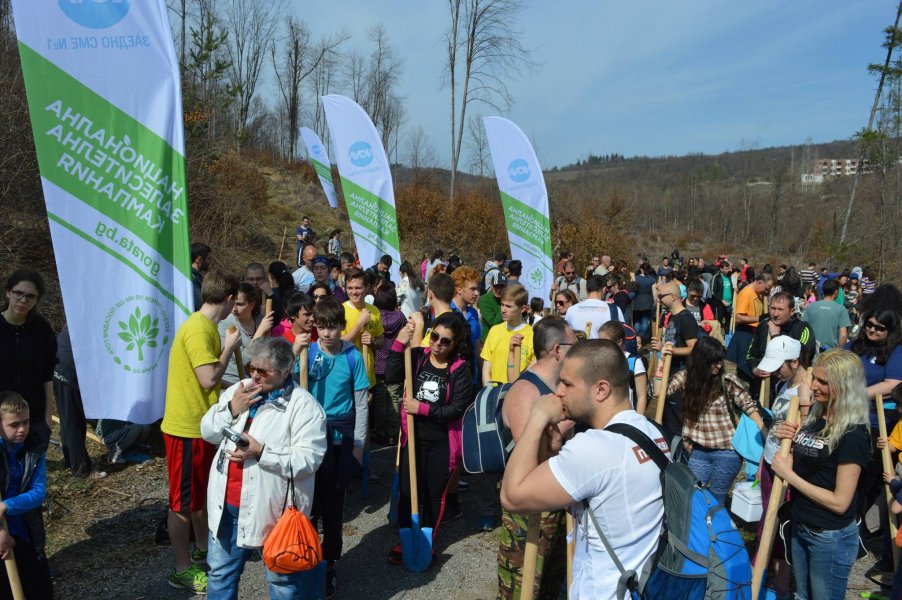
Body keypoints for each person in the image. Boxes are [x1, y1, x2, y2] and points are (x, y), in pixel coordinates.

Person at [500, 339, 668, 600]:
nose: (558, 392)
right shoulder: (653, 432)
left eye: (567, 383)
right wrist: (555, 449)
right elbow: (597, 499)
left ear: (601, 389)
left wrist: (537, 417)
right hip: (641, 587)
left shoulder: (595, 448)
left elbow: (512, 497)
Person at [201, 337, 328, 599]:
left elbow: (310, 459)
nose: (255, 377)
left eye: (263, 371)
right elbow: (207, 432)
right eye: (252, 368)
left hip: (273, 512)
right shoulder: (241, 390)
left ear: (285, 371)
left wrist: (262, 453)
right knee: (220, 574)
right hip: (226, 506)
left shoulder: (304, 407)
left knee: (282, 582)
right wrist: (231, 409)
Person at [161, 269, 242, 593]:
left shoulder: (204, 326)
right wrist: (229, 346)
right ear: (228, 298)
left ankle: (203, 547)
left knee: (199, 496)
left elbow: (208, 378)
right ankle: (181, 568)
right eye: (234, 301)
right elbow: (208, 378)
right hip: (185, 428)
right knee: (182, 504)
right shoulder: (198, 330)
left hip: (200, 426)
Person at [771, 349, 870, 600]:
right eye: (814, 377)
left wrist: (789, 475)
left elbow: (840, 502)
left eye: (822, 382)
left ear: (843, 387)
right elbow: (811, 464)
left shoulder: (854, 435)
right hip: (801, 525)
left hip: (829, 536)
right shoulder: (818, 417)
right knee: (803, 597)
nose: (813, 385)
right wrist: (791, 440)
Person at [385, 312, 474, 566]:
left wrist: (420, 408)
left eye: (445, 341)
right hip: (412, 438)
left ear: (454, 344)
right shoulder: (416, 358)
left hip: (441, 442)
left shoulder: (459, 370)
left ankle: (427, 539)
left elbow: (456, 408)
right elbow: (391, 376)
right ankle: (405, 539)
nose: (437, 343)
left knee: (433, 494)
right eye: (435, 336)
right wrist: (399, 343)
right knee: (407, 491)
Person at [496, 318, 576, 599]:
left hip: (557, 498)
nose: (577, 350)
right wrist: (564, 424)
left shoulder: (562, 387)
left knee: (551, 585)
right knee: (521, 587)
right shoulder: (525, 391)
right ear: (557, 350)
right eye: (573, 345)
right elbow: (529, 455)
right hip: (529, 509)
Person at [305, 297, 370, 598]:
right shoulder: (306, 353)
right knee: (307, 505)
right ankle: (305, 558)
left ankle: (329, 562)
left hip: (340, 437)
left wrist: (358, 445)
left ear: (343, 327)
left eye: (332, 328)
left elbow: (361, 404)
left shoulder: (352, 357)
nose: (326, 334)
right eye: (321, 327)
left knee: (333, 506)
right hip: (309, 437)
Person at [664, 337, 764, 503]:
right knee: (694, 497)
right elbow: (661, 394)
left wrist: (764, 436)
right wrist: (662, 364)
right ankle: (700, 528)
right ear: (701, 360)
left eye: (720, 360)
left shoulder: (727, 381)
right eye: (713, 361)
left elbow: (750, 408)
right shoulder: (685, 378)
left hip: (727, 451)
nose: (719, 365)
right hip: (698, 450)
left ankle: (716, 527)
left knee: (717, 498)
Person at [755, 336, 810, 600]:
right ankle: (766, 575)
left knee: (782, 529)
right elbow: (775, 426)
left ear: (796, 361)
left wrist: (801, 427)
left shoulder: (808, 391)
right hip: (770, 461)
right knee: (768, 520)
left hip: (788, 468)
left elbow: (813, 435)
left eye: (780, 365)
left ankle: (782, 585)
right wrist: (761, 463)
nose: (776, 370)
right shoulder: (783, 383)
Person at [0, 392, 53, 599]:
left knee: (39, 589)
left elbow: (38, 493)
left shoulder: (34, 448)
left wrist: (6, 506)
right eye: (14, 425)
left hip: (26, 532)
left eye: (26, 422)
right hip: (3, 535)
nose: (22, 429)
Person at [0, 269, 56, 451]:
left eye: (30, 296)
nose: (23, 300)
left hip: (34, 417)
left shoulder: (43, 330)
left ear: (37, 300)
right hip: (2, 417)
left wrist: (48, 417)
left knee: (32, 473)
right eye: (18, 293)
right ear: (8, 292)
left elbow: (48, 376)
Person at [53, 324, 105, 478]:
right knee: (74, 422)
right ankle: (82, 469)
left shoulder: (83, 310)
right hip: (68, 371)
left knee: (68, 420)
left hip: (61, 367)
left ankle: (71, 461)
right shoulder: (91, 315)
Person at [746, 291, 816, 395]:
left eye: (780, 309)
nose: (775, 314)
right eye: (773, 308)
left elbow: (802, 359)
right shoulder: (764, 325)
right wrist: (755, 369)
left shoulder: (803, 329)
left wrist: (775, 336)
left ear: (792, 311)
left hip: (792, 390)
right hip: (763, 388)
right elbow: (750, 355)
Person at [372, 284, 407, 445]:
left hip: (377, 364)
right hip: (395, 363)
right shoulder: (400, 317)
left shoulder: (374, 317)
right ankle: (393, 433)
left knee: (379, 401)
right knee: (394, 399)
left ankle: (379, 432)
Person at [481, 284, 535, 385]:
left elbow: (532, 372)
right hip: (494, 393)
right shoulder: (494, 330)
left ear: (523, 309)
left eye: (508, 306)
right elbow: (486, 369)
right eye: (502, 305)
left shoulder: (532, 335)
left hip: (517, 395)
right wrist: (488, 392)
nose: (503, 310)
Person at [341, 269, 385, 389]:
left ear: (367, 287)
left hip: (367, 374)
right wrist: (360, 323)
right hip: (346, 376)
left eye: (358, 288)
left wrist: (373, 341)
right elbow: (338, 345)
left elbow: (381, 340)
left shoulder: (374, 311)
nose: (354, 292)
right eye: (350, 288)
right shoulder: (340, 310)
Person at [218, 282, 266, 389]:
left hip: (256, 381)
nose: (234, 308)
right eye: (233, 303)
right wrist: (259, 333)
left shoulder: (260, 319)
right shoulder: (225, 324)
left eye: (240, 304)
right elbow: (243, 361)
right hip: (232, 385)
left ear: (252, 304)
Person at [726, 272, 774, 376]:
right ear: (760, 282)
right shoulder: (746, 293)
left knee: (749, 364)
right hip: (745, 332)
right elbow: (738, 318)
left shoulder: (759, 293)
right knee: (744, 367)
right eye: (766, 289)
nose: (767, 292)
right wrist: (759, 318)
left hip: (754, 333)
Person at [599, 320, 647, 414]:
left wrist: (638, 422)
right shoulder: (598, 360)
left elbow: (642, 397)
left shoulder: (633, 362)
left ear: (620, 342)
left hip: (626, 417)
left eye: (605, 341)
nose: (601, 345)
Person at [563, 275, 624, 340]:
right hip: (605, 349)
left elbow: (566, 335)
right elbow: (621, 335)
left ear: (586, 289)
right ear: (603, 289)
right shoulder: (614, 310)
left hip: (579, 349)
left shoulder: (571, 310)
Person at [802, 279, 852, 351]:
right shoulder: (841, 309)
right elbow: (843, 335)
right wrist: (841, 351)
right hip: (830, 352)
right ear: (836, 292)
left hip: (811, 348)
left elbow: (803, 327)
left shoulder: (811, 306)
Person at [479, 268, 508, 342]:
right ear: (491, 285)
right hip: (490, 340)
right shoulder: (484, 299)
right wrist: (504, 304)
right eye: (496, 286)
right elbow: (493, 323)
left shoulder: (509, 299)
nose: (498, 289)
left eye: (501, 286)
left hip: (505, 339)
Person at [632, 262, 656, 343]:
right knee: (645, 321)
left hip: (636, 302)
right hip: (648, 302)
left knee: (637, 321)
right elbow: (654, 293)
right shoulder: (652, 279)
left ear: (641, 269)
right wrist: (655, 302)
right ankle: (642, 339)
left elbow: (632, 289)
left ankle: (636, 337)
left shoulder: (636, 278)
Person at [190, 242, 212, 310]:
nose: (210, 261)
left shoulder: (197, 277)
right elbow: (201, 304)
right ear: (199, 259)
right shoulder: (192, 279)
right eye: (208, 258)